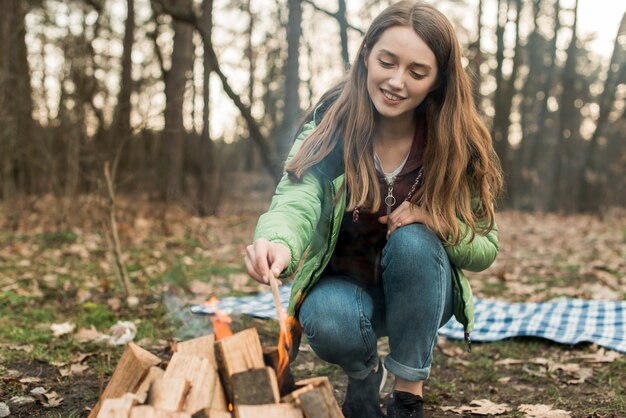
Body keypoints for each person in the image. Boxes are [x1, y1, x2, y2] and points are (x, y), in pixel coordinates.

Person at [244, 1, 503, 417]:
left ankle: (407, 395)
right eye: (387, 61)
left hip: (421, 293)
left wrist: (437, 221)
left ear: (437, 81)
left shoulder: (457, 143)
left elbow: (485, 246)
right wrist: (277, 240)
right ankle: (365, 375)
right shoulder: (332, 123)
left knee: (416, 239)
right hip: (343, 289)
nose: (397, 81)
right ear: (366, 55)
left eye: (417, 72)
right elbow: (298, 197)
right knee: (327, 319)